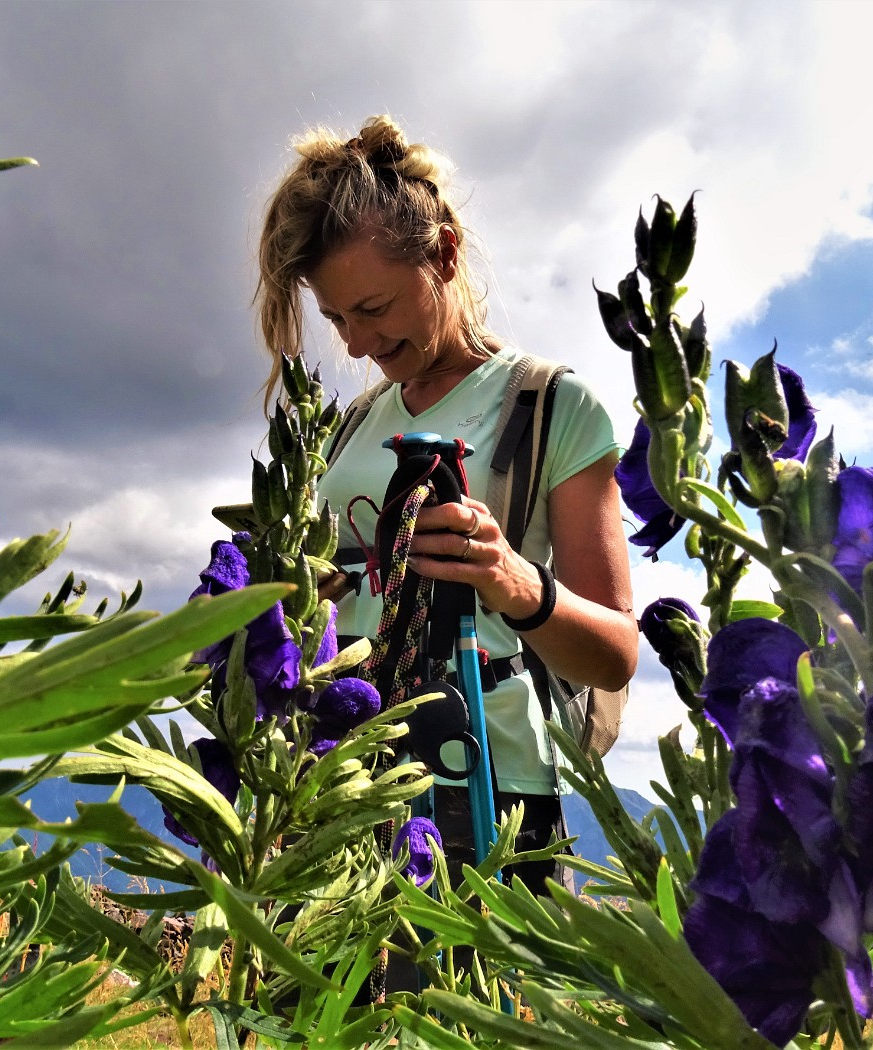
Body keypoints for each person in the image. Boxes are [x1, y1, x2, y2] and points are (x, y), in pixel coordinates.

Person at [254, 115, 638, 893]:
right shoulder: (352, 425)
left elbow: (615, 653)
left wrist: (512, 580)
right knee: (319, 1013)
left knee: (469, 1013)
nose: (356, 343)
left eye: (375, 307)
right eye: (336, 319)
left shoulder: (552, 407)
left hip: (491, 795)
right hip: (342, 778)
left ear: (445, 255)